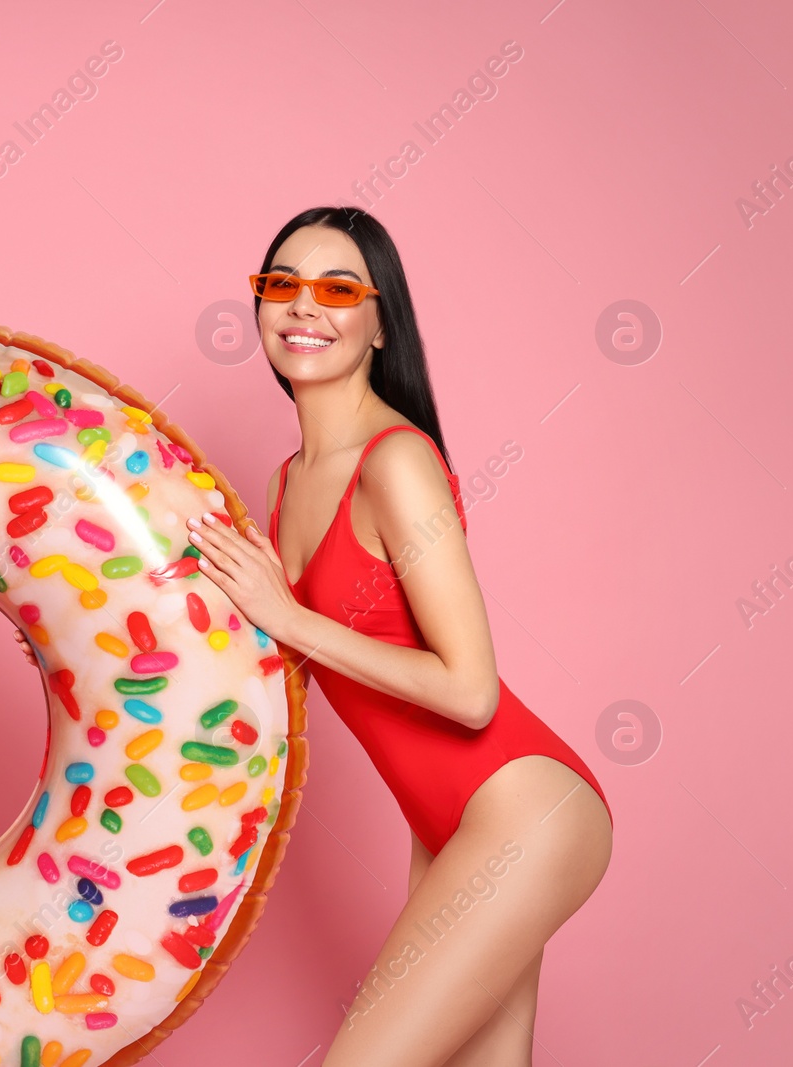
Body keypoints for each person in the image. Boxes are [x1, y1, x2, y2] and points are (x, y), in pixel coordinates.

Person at [186, 206, 614, 1066]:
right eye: (282, 285)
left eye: (338, 288)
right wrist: (81, 651)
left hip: (523, 809)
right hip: (446, 830)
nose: (304, 307)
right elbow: (272, 657)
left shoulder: (397, 463)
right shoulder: (285, 482)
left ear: (381, 323)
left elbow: (470, 691)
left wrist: (291, 617)